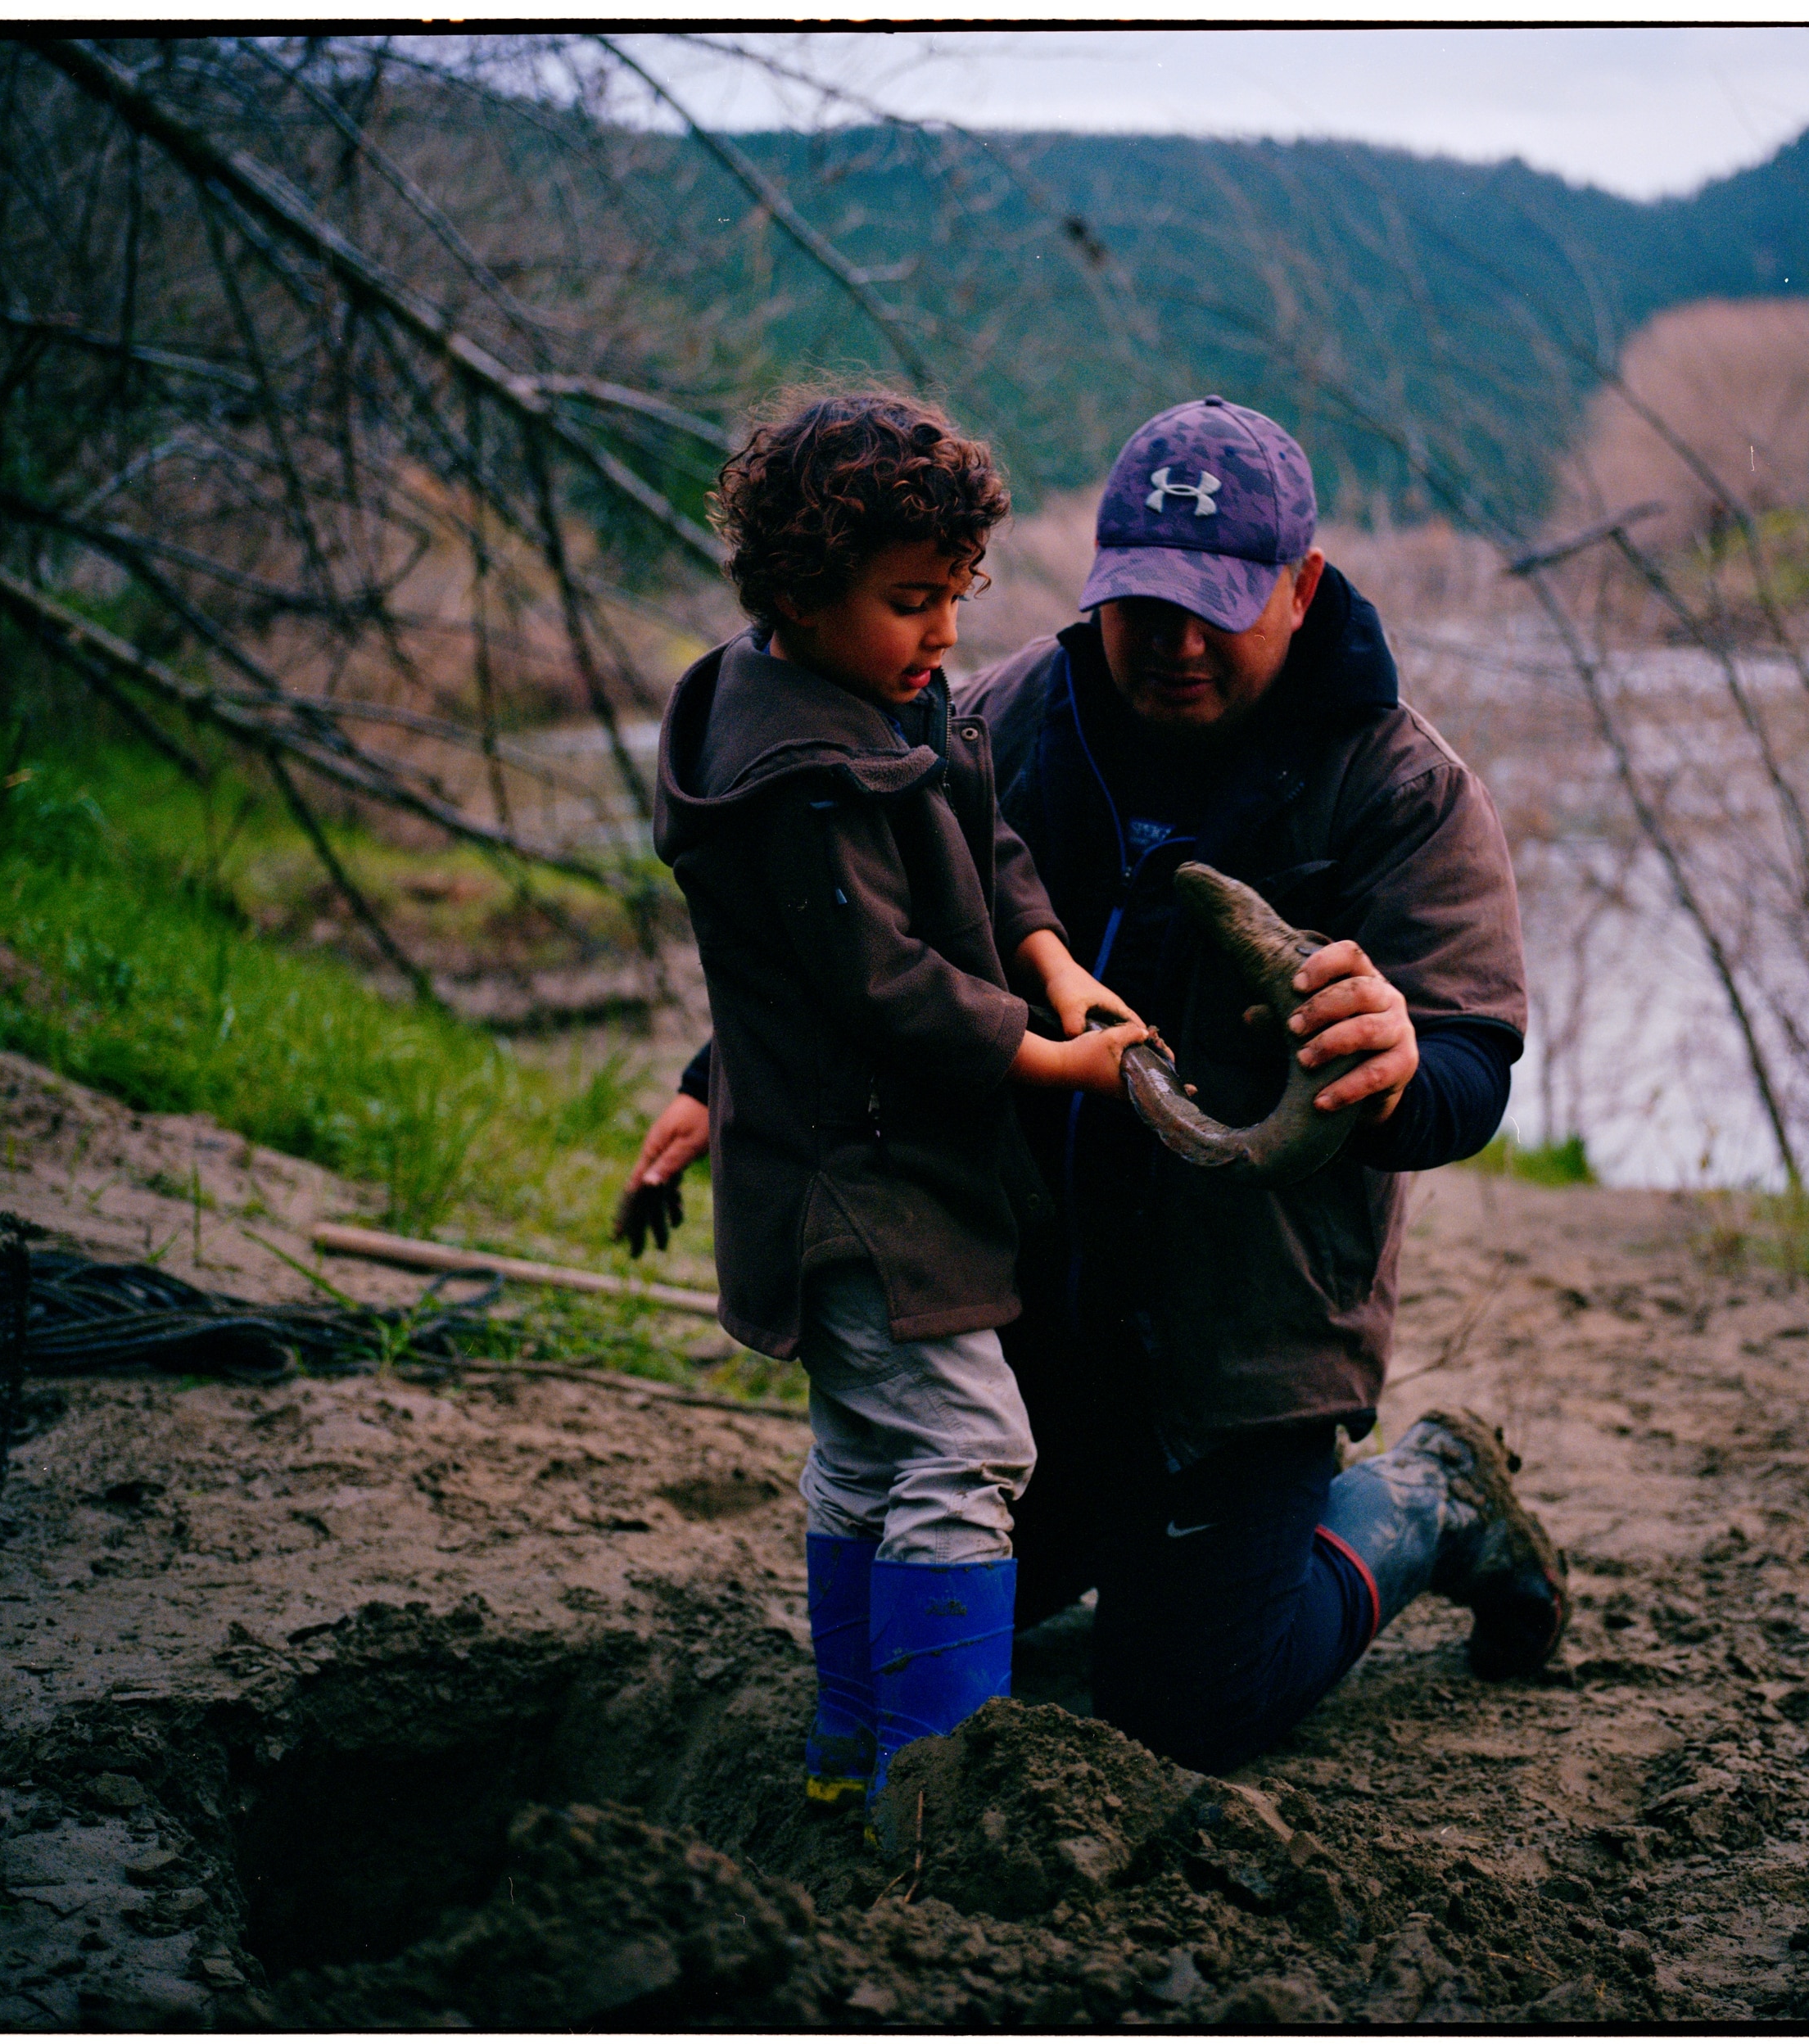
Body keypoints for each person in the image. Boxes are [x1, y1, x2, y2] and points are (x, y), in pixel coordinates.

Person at [628, 394, 1566, 1779]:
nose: (1178, 645)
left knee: (1189, 1712)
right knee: (939, 1562)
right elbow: (856, 938)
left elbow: (1474, 1066)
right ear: (1096, 585)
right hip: (1022, 1309)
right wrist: (722, 1081)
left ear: (1302, 587)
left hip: (1239, 1357)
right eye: (1145, 605)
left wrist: (1408, 1060)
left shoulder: (1402, 788)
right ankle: (1118, 1566)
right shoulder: (993, 714)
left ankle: (1429, 1496)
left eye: (1221, 608)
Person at [635, 389, 1148, 1819]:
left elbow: (983, 828)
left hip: (893, 1171)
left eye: (955, 601)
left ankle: (850, 1758)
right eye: (909, 603)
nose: (941, 640)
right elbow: (884, 988)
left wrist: (1050, 960)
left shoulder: (875, 695)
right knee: (969, 1447)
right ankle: (936, 1792)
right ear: (795, 594)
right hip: (852, 1185)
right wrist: (1053, 1064)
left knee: (868, 1454)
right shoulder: (793, 773)